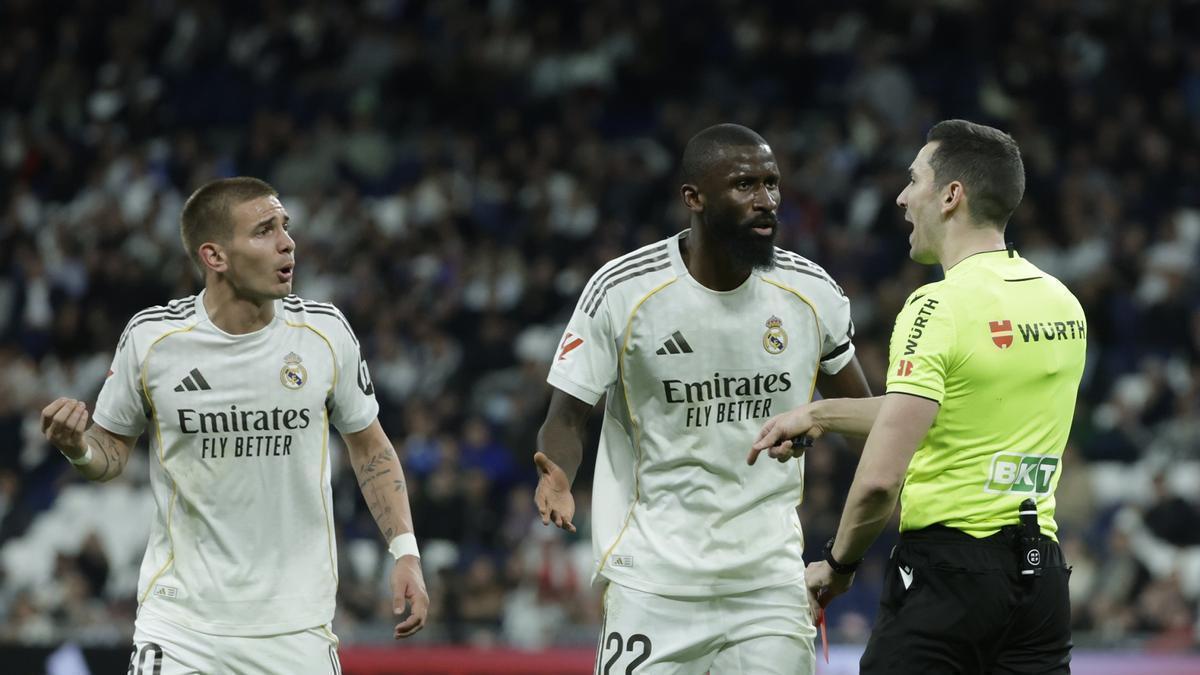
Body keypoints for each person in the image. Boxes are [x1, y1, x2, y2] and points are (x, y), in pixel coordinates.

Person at [40, 177, 428, 674]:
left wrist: (405, 552)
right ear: (215, 256)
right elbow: (111, 453)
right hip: (181, 627)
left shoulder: (324, 334)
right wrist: (77, 448)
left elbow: (371, 449)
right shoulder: (154, 340)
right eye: (264, 231)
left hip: (296, 629)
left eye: (285, 226)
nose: (287, 242)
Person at [534, 123, 872, 674]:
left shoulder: (812, 293)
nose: (766, 202)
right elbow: (566, 417)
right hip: (653, 584)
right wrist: (558, 476)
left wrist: (824, 424)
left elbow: (869, 420)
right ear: (693, 198)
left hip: (769, 585)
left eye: (772, 184)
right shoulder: (622, 292)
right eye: (744, 186)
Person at [750, 119, 1086, 674]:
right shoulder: (1062, 303)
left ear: (952, 196)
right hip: (1042, 580)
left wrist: (838, 564)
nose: (903, 198)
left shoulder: (937, 307)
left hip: (948, 581)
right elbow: (953, 405)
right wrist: (819, 412)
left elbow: (882, 478)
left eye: (914, 180)